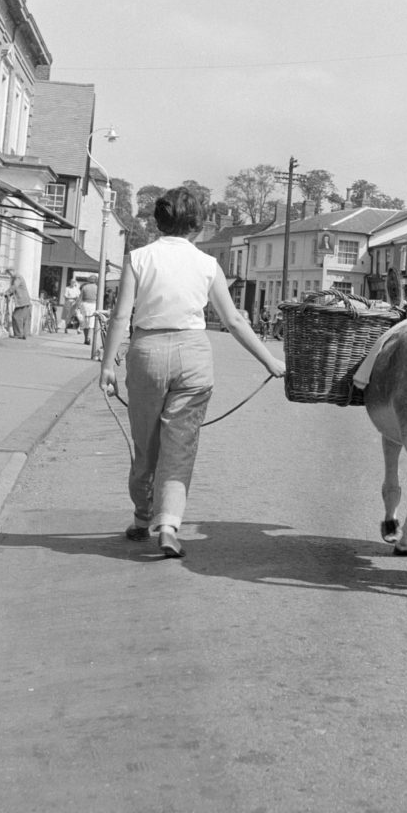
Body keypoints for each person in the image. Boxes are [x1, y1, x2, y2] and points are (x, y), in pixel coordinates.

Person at [99, 186, 286, 558]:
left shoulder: (138, 257)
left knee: (145, 445)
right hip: (193, 355)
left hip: (147, 350)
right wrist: (270, 360)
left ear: (158, 222)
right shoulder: (207, 264)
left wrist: (107, 365)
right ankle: (168, 523)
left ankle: (141, 518)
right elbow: (232, 319)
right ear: (197, 227)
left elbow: (121, 315)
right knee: (180, 445)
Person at [5, 268, 32, 339]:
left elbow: (14, 287)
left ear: (13, 271)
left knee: (16, 316)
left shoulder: (18, 277)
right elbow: (15, 289)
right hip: (23, 301)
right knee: (20, 317)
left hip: (22, 301)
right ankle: (22, 334)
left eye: (9, 273)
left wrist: (6, 292)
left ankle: (19, 334)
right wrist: (9, 294)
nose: (9, 275)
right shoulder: (16, 278)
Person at [78, 275, 99, 346]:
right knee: (91, 322)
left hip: (85, 304)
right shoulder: (97, 288)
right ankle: (89, 337)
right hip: (93, 304)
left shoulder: (85, 287)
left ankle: (85, 338)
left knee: (85, 322)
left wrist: (78, 306)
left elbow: (80, 297)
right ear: (96, 280)